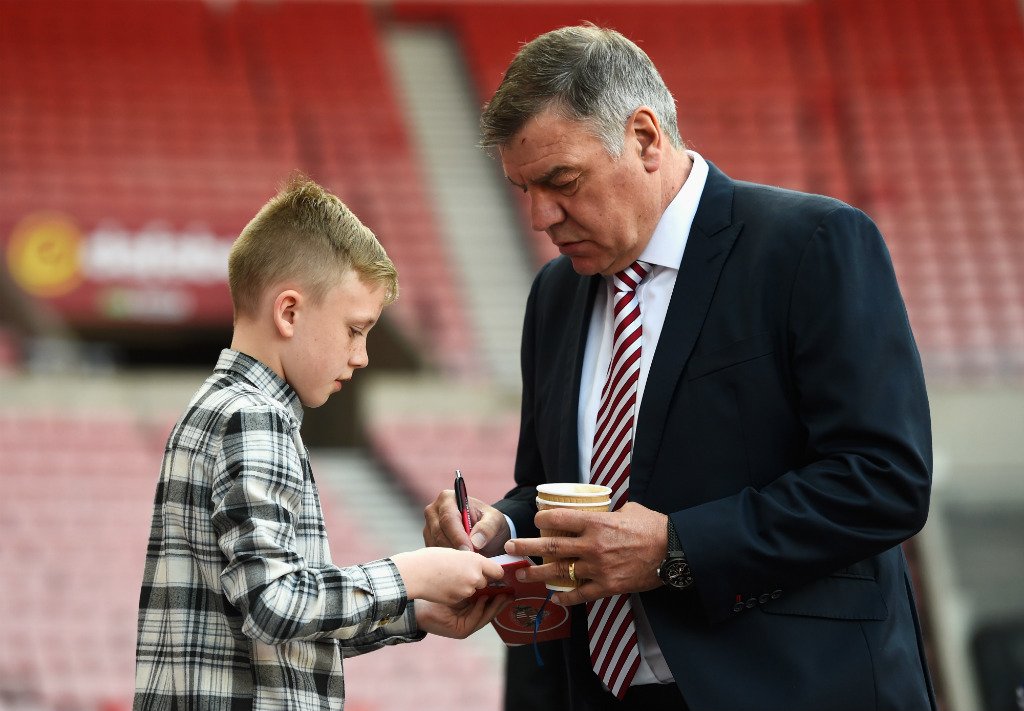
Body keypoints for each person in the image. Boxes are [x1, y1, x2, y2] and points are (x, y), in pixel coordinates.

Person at [423, 24, 936, 711]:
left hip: (792, 688)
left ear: (644, 138)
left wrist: (676, 547)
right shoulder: (555, 294)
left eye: (561, 181)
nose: (541, 216)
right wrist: (503, 529)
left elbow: (885, 479)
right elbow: (549, 483)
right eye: (524, 190)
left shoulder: (809, 244)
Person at [135, 175, 509, 710]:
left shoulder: (216, 407)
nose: (362, 356)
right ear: (289, 312)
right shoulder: (255, 418)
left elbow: (269, 625)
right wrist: (412, 574)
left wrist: (415, 612)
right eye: (355, 329)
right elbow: (275, 604)